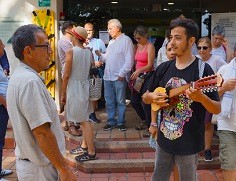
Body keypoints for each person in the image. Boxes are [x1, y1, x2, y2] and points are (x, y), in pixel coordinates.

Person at [142, 17, 221, 181]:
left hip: (189, 144)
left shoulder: (203, 70)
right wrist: (151, 96)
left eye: (178, 38)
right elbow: (145, 97)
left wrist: (201, 98)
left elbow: (216, 109)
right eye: (171, 37)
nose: (172, 42)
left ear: (191, 41)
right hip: (163, 141)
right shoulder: (164, 68)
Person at [7, 24, 76, 181]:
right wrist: (63, 169)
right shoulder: (29, 81)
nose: (50, 51)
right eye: (45, 46)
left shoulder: (20, 76)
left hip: (35, 166)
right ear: (28, 51)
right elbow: (42, 132)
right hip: (41, 170)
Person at [61, 26, 97, 162]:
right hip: (85, 86)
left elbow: (66, 75)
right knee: (85, 119)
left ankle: (91, 151)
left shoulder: (71, 52)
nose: (70, 37)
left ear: (76, 38)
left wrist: (62, 94)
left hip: (75, 88)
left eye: (71, 35)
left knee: (84, 121)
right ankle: (84, 145)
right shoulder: (88, 52)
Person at [95, 19, 134, 131]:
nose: (108, 31)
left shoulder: (126, 41)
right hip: (108, 76)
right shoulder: (112, 42)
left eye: (110, 28)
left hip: (118, 77)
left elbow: (129, 60)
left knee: (121, 101)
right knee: (109, 101)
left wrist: (122, 73)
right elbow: (106, 58)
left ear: (118, 28)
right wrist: (99, 54)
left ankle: (121, 122)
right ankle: (111, 121)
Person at [196, 36, 226, 162]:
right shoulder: (195, 60)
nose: (201, 50)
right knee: (196, 123)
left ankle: (207, 149)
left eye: (204, 47)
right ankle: (196, 148)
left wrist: (219, 87)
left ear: (210, 48)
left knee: (207, 124)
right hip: (196, 96)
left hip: (209, 97)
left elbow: (226, 72)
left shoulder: (217, 60)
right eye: (199, 48)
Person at [130, 26, 155, 138]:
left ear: (145, 36)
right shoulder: (137, 46)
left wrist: (139, 70)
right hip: (138, 76)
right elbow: (135, 61)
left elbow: (150, 65)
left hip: (147, 75)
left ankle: (150, 125)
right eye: (136, 38)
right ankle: (144, 119)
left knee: (146, 101)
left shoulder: (150, 46)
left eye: (139, 38)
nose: (137, 40)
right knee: (134, 101)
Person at [58, 20, 82, 136]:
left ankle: (69, 123)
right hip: (69, 74)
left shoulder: (68, 41)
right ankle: (72, 125)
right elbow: (74, 55)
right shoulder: (64, 42)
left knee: (70, 100)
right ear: (68, 30)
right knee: (71, 100)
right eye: (74, 29)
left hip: (72, 74)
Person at [217, 44, 236, 181]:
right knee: (229, 163)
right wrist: (224, 87)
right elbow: (212, 96)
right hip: (227, 124)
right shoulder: (224, 70)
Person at [84, 22, 106, 123]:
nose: (88, 32)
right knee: (83, 94)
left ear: (93, 31)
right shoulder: (80, 42)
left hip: (95, 72)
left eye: (90, 30)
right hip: (83, 73)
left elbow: (105, 56)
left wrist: (100, 61)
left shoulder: (99, 42)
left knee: (94, 93)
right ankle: (84, 115)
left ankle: (92, 114)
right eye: (86, 30)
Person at [0, 39, 13, 178]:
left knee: (1, 140)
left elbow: (6, 63)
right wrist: (4, 102)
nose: (4, 46)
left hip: (2, 106)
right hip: (1, 105)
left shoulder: (1, 59)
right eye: (2, 45)